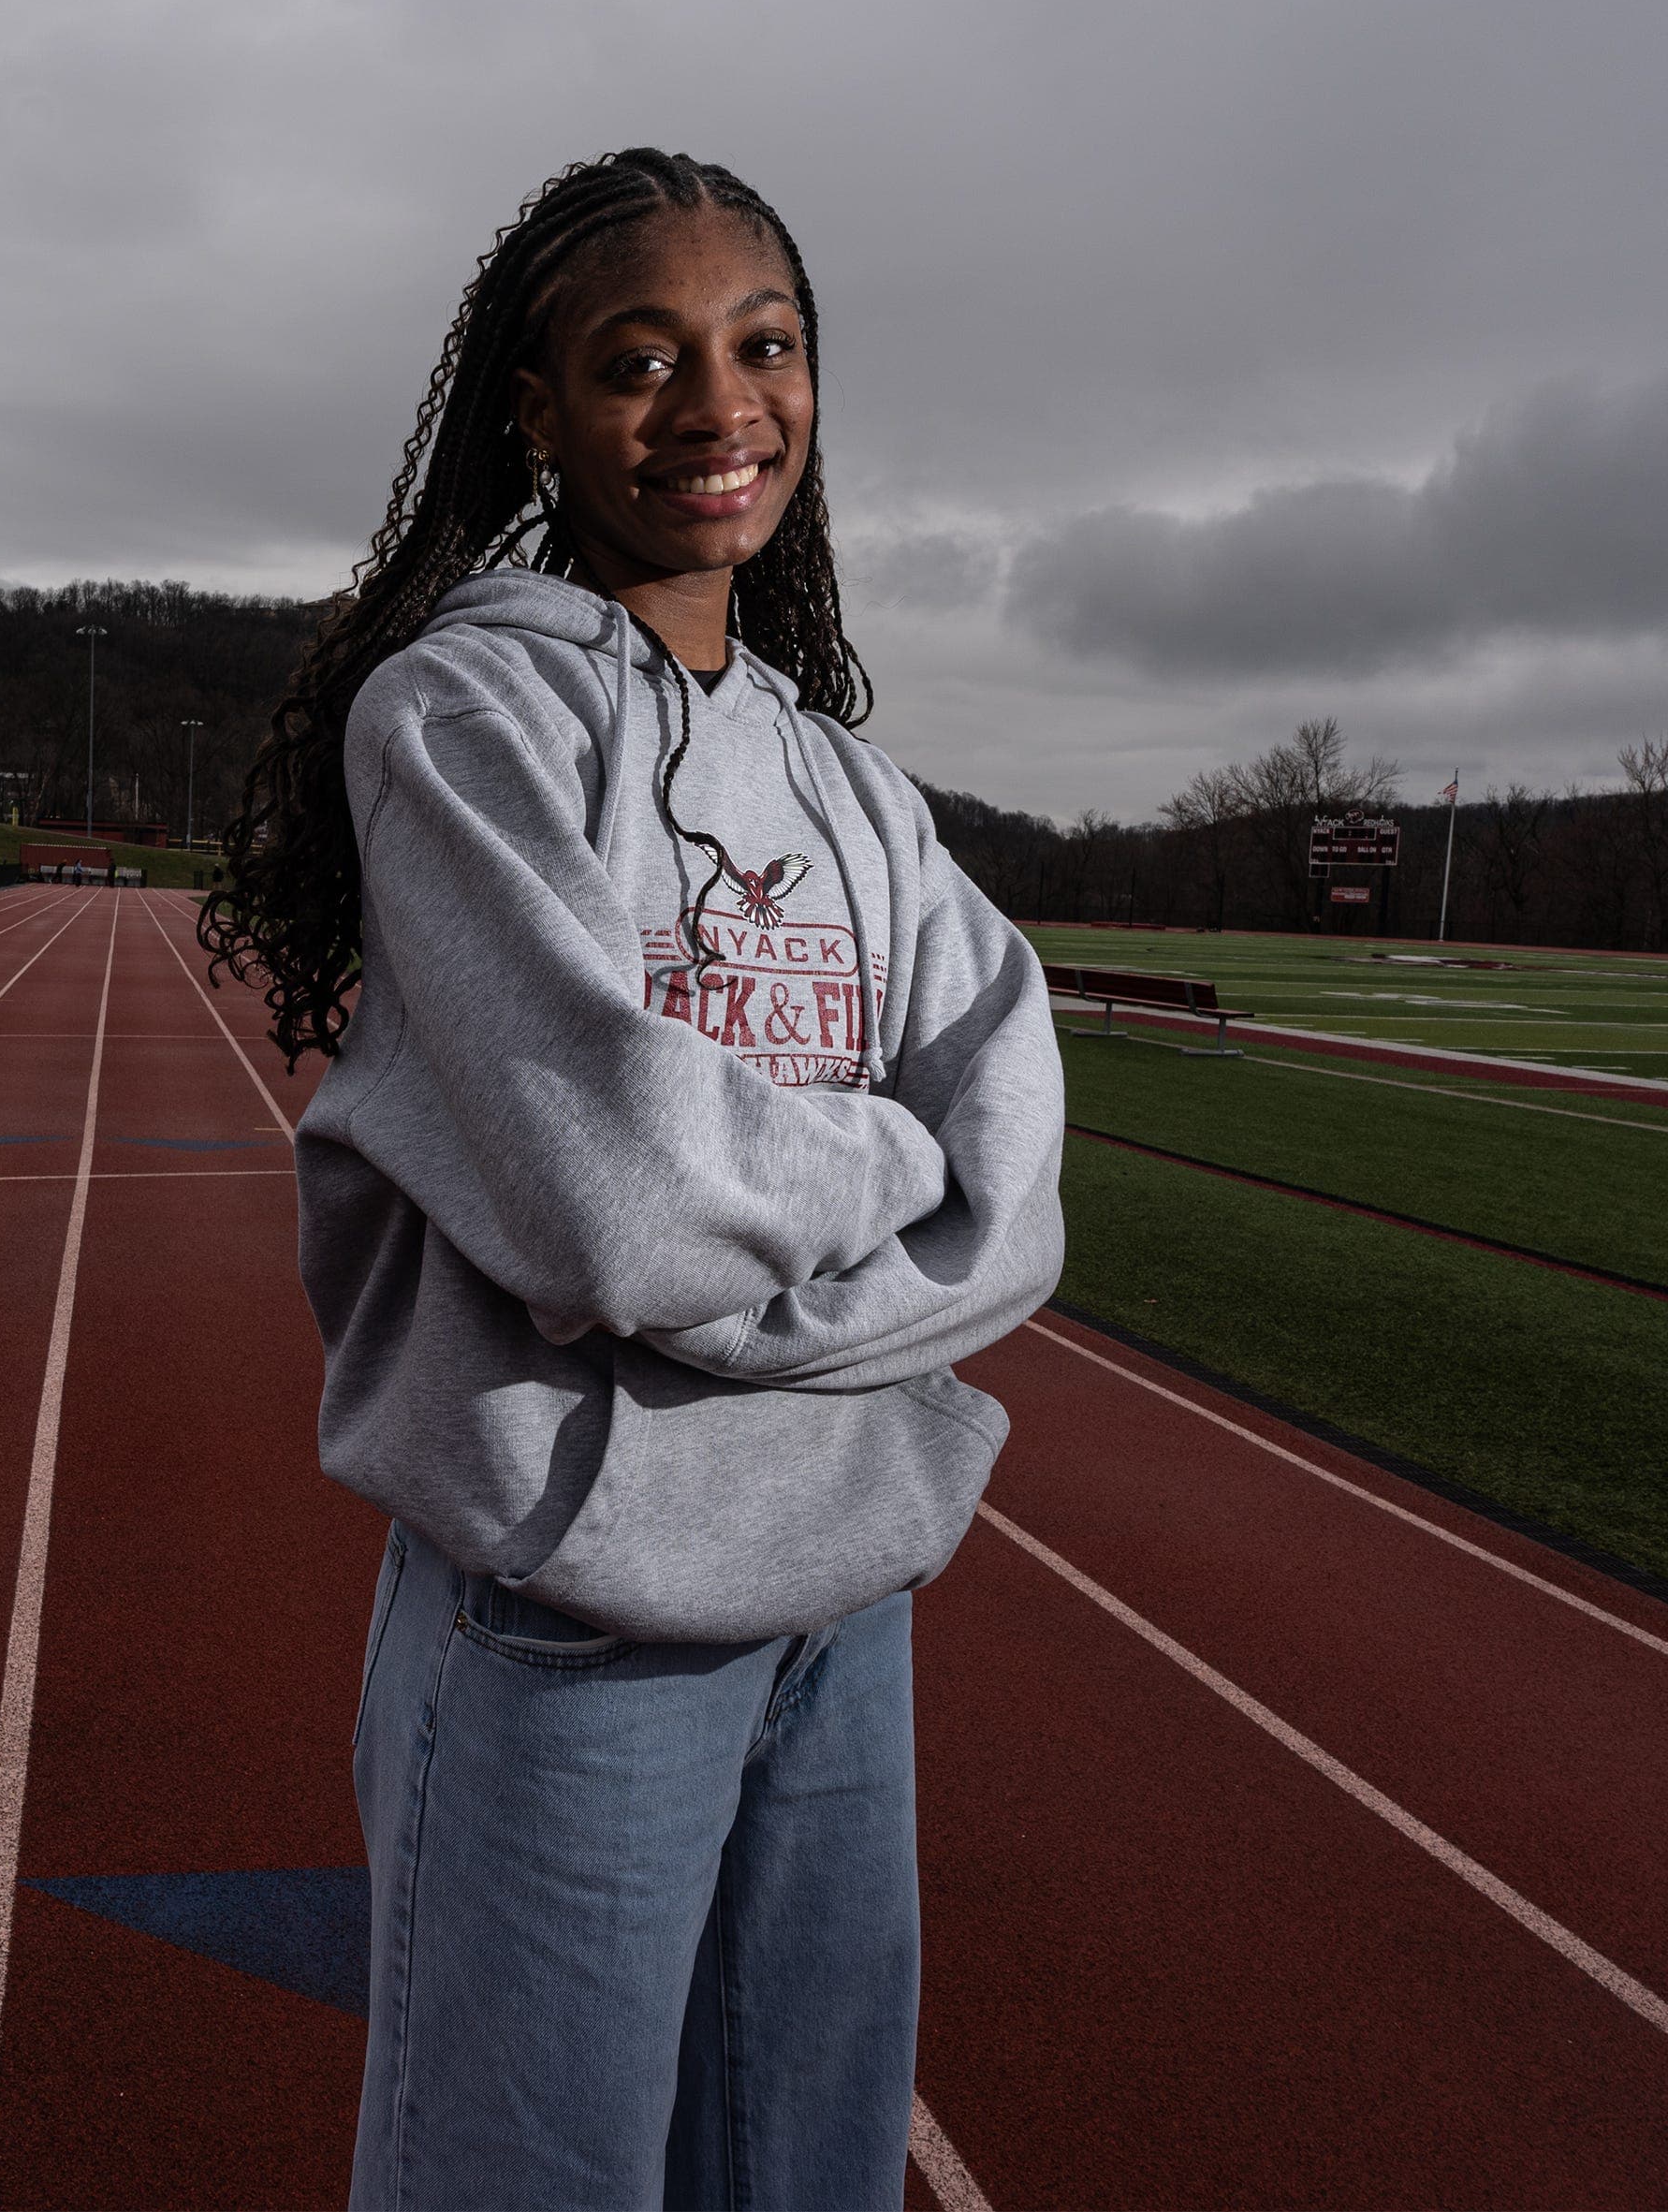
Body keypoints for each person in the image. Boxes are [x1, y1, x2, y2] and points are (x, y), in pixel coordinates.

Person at [201, 150, 1064, 2209]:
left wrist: (738, 1250)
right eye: (640, 358)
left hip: (848, 1603)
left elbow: (1018, 1198)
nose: (715, 406)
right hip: (572, 1613)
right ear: (534, 405)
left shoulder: (858, 787)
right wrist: (886, 1165)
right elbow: (614, 1196)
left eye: (763, 348)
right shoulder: (463, 719)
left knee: (811, 2178)